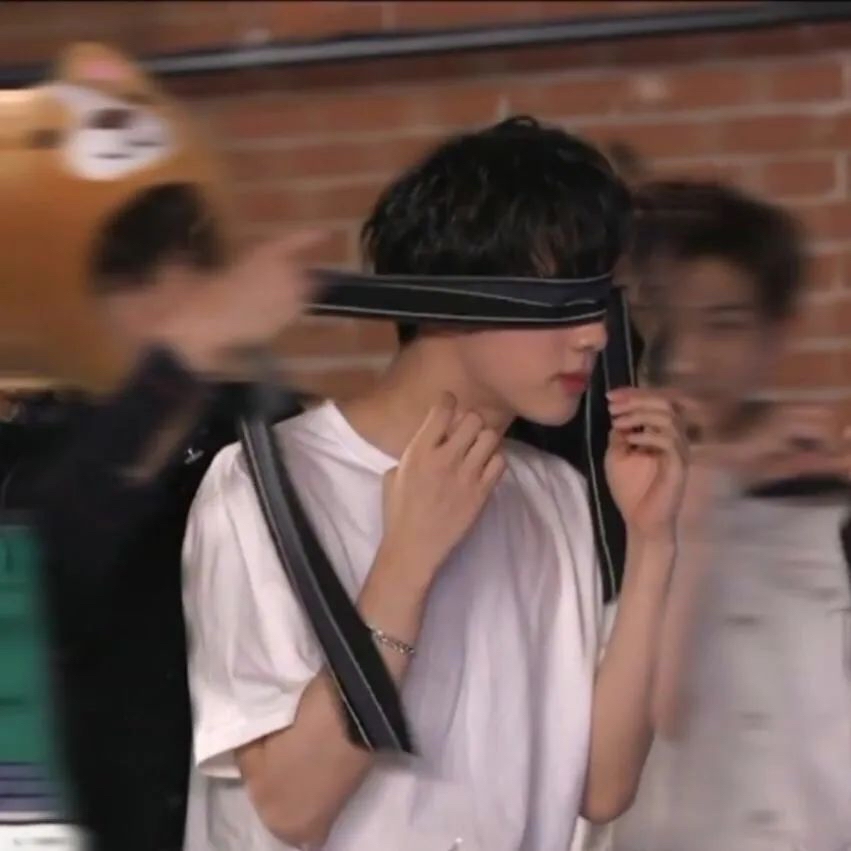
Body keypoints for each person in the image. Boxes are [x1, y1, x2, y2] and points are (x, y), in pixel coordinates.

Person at [181, 116, 688, 851]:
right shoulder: (264, 489)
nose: (595, 336)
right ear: (449, 298)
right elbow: (290, 805)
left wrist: (653, 543)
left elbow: (601, 786)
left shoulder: (551, 494)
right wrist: (406, 563)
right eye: (558, 298)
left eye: (600, 300)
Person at [2, 182, 320, 851]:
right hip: (101, 807)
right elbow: (50, 566)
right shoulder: (47, 441)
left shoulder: (277, 429)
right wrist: (180, 361)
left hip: (254, 807)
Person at [607, 180, 851, 851]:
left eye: (724, 324)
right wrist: (715, 483)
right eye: (665, 320)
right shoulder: (599, 506)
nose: (688, 357)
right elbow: (659, 712)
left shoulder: (826, 507)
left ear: (776, 334)